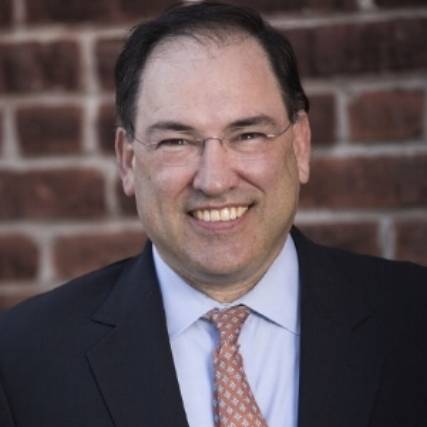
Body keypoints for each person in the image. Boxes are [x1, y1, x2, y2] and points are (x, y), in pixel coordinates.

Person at [0, 2, 426, 426]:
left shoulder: (413, 318)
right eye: (176, 141)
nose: (215, 180)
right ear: (127, 161)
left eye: (248, 135)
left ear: (300, 145)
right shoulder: (22, 359)